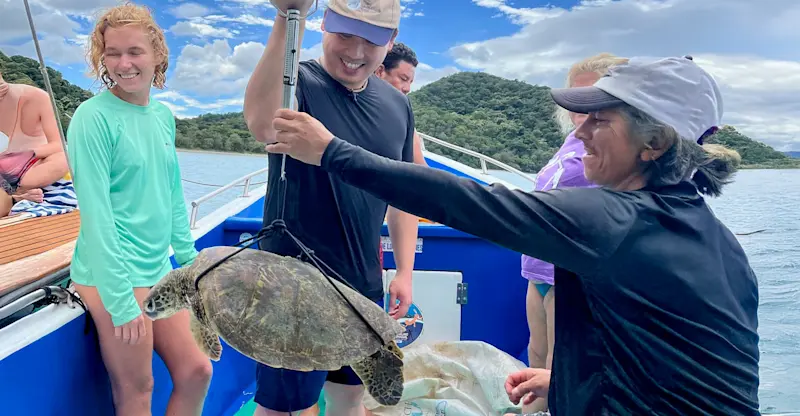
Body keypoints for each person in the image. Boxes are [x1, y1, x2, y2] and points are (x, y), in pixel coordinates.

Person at [266, 56, 761, 414]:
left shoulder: (612, 220)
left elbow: (468, 202)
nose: (580, 132)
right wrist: (568, 382)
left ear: (654, 143)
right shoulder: (721, 242)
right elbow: (678, 360)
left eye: (600, 119)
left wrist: (331, 151)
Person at [242, 0, 421, 414]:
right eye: (344, 35)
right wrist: (289, 15)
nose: (355, 52)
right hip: (291, 290)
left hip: (363, 285)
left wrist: (405, 273)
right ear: (323, 24)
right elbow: (262, 123)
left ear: (390, 41)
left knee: (351, 395)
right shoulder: (296, 83)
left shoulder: (398, 105)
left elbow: (404, 196)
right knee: (288, 407)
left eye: (371, 40)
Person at [66, 3, 212, 414]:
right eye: (112, 53)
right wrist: (120, 300)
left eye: (135, 51)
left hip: (156, 267)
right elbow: (96, 216)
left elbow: (170, 194)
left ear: (158, 55)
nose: (123, 63)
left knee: (197, 370)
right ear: (101, 58)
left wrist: (191, 265)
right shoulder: (92, 119)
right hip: (109, 273)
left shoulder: (162, 117)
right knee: (138, 387)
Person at [517, 52, 628, 413]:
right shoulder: (572, 141)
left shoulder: (616, 149)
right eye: (577, 100)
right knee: (536, 354)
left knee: (557, 366)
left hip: (570, 273)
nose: (582, 113)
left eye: (594, 99)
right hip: (538, 267)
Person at [0, 70, 70, 217]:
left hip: (33, 167)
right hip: (3, 173)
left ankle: (20, 192)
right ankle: (15, 197)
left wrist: (27, 155)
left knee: (64, 157)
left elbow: (58, 144)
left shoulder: (37, 97)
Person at [375, 42, 427, 165]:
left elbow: (419, 165)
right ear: (379, 72)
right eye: (403, 79)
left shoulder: (404, 115)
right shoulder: (353, 104)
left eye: (410, 82)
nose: (407, 88)